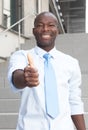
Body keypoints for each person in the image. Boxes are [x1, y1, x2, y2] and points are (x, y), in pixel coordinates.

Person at [8, 11, 86, 130]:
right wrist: (25, 78)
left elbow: (74, 101)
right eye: (40, 25)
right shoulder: (21, 56)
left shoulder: (71, 63)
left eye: (51, 25)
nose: (45, 29)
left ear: (57, 30)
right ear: (34, 31)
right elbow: (16, 77)